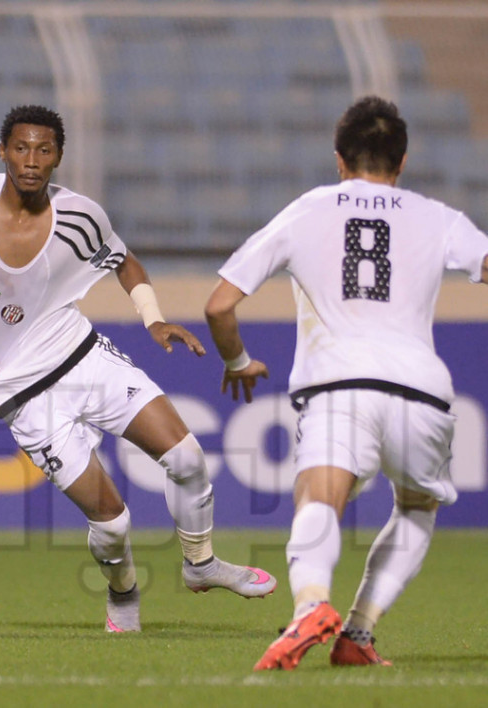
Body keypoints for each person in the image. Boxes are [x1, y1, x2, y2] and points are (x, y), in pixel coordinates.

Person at [0, 104, 276, 633]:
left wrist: (154, 320)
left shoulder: (81, 217)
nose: (31, 160)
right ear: (2, 151)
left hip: (81, 356)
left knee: (186, 456)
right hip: (22, 393)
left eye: (44, 150)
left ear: (59, 157)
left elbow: (125, 261)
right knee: (112, 522)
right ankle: (123, 594)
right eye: (21, 148)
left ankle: (200, 563)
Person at [205, 96, 488, 670]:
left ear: (339, 159)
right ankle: (358, 633)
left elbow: (218, 306)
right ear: (401, 161)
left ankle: (311, 602)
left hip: (338, 386)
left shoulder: (308, 210)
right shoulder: (438, 217)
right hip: (421, 391)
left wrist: (238, 362)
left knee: (320, 500)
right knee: (415, 508)